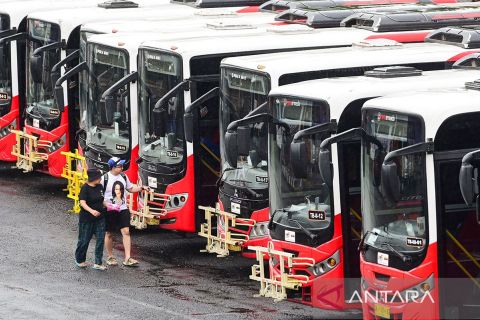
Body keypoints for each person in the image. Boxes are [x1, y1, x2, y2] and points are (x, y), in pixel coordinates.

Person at [102, 157, 148, 267]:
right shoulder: (105, 178)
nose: (122, 168)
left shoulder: (123, 176)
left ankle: (128, 258)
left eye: (122, 166)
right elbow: (99, 195)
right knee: (109, 233)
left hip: (123, 208)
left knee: (126, 231)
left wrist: (142, 188)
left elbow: (130, 188)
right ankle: (110, 256)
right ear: (112, 167)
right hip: (110, 210)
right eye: (119, 166)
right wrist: (106, 205)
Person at [75, 168, 107, 271]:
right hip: (87, 218)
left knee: (101, 239)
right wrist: (91, 211)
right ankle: (80, 259)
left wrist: (109, 205)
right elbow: (82, 203)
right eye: (99, 177)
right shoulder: (85, 188)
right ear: (94, 178)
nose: (100, 179)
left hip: (100, 217)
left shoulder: (100, 187)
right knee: (84, 240)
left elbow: (102, 200)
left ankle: (98, 262)